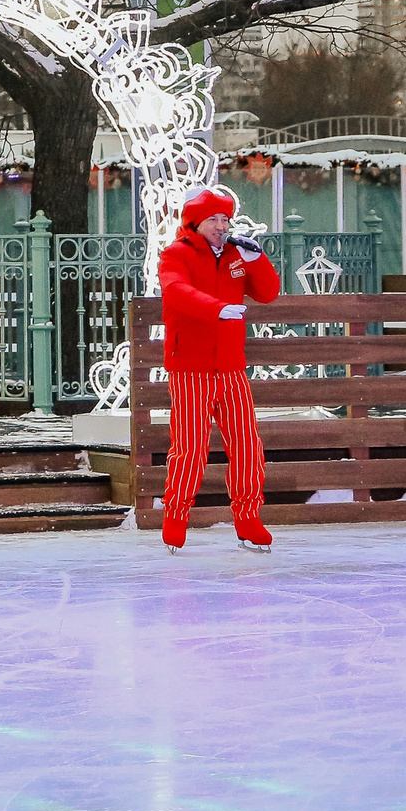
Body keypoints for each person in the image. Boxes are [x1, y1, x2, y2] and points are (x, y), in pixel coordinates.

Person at [158, 186, 281, 552]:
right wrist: (216, 308)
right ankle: (176, 516)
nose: (221, 225)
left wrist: (256, 260)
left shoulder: (235, 255)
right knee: (190, 449)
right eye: (213, 218)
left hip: (230, 367)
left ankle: (248, 518)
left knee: (246, 445)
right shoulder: (175, 254)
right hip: (190, 368)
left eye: (225, 218)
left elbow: (268, 292)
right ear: (195, 222)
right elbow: (175, 291)